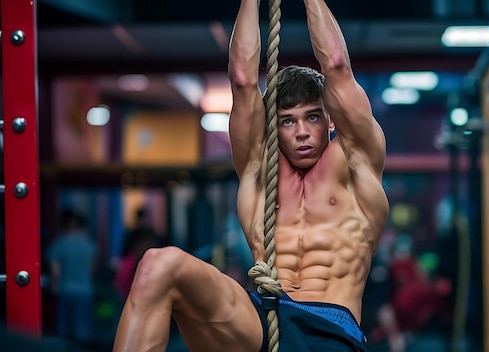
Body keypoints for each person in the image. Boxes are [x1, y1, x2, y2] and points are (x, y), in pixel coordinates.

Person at [112, 0, 388, 350]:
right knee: (157, 264)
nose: (301, 131)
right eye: (288, 121)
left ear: (330, 119)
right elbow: (243, 80)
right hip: (263, 319)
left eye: (313, 117)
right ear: (274, 127)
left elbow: (335, 65)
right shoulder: (259, 170)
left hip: (330, 331)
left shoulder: (355, 162)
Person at [46, 208, 98, 344]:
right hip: (85, 291)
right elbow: (92, 269)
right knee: (83, 331)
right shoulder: (89, 245)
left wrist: (53, 289)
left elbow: (55, 271)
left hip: (65, 290)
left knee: (64, 333)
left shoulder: (58, 244)